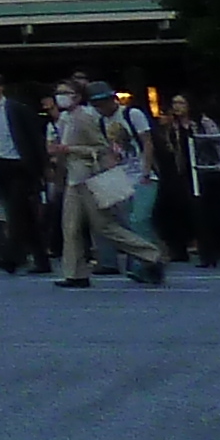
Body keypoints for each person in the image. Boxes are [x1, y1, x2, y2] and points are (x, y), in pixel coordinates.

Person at [50, 82, 169, 288]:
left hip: (90, 177)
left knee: (104, 226)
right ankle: (75, 273)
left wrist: (70, 149)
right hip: (74, 178)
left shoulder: (86, 117)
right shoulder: (64, 119)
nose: (61, 97)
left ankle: (152, 254)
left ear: (78, 97)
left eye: (66, 93)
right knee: (70, 227)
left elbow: (100, 148)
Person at [0, 73, 48, 275]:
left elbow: (34, 138)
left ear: (0, 86)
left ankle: (10, 257)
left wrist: (42, 167)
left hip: (21, 165)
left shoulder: (17, 109)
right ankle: (41, 259)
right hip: (0, 165)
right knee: (24, 214)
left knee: (16, 211)